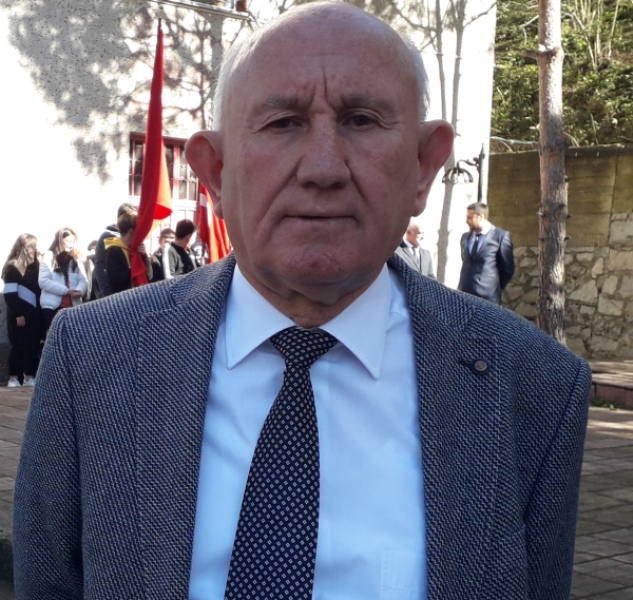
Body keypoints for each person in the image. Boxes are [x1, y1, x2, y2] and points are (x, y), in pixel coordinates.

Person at [14, 4, 590, 600]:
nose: (322, 168)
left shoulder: (536, 386)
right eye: (283, 122)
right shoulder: (95, 359)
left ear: (423, 167)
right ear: (215, 173)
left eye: (361, 120)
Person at [2, 234, 41, 388]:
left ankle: (29, 376)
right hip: (19, 314)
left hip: (34, 314)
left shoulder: (34, 267)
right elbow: (10, 293)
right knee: (18, 346)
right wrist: (18, 313)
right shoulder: (13, 268)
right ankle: (13, 378)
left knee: (33, 346)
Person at [457, 202, 515, 304]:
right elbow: (465, 261)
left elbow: (507, 269)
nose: (466, 221)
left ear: (481, 217)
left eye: (470, 217)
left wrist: (493, 287)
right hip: (464, 296)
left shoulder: (500, 237)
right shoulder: (465, 237)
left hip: (488, 298)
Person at [38, 227, 87, 334]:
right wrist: (67, 291)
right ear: (60, 240)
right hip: (52, 307)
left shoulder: (76, 258)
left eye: (73, 241)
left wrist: (79, 291)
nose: (71, 245)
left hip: (73, 307)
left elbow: (83, 280)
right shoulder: (50, 255)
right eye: (68, 241)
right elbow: (43, 281)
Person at [92, 203, 138, 298]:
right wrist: (107, 295)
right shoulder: (107, 236)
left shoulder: (132, 238)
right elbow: (99, 267)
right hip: (112, 294)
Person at [103, 213, 152, 294]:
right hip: (122, 298)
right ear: (131, 231)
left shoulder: (136, 250)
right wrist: (135, 269)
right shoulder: (112, 250)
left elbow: (149, 276)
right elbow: (115, 279)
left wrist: (144, 255)